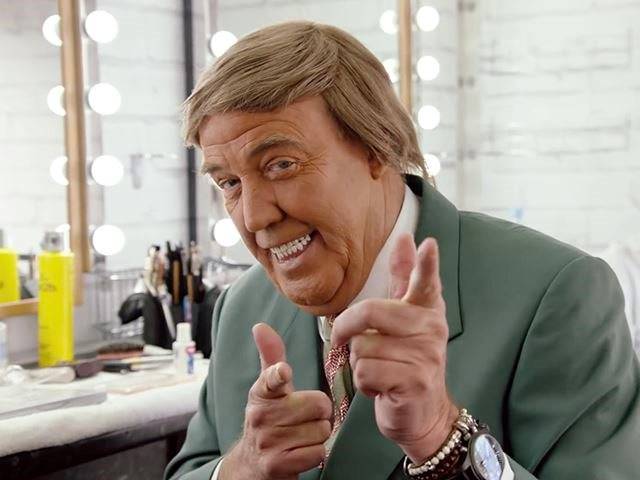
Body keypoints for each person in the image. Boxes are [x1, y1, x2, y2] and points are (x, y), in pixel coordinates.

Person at [165, 21, 640, 480]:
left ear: (377, 147)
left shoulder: (557, 294)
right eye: (228, 183)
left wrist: (444, 440)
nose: (253, 217)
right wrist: (241, 469)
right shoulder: (240, 308)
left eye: (281, 165)